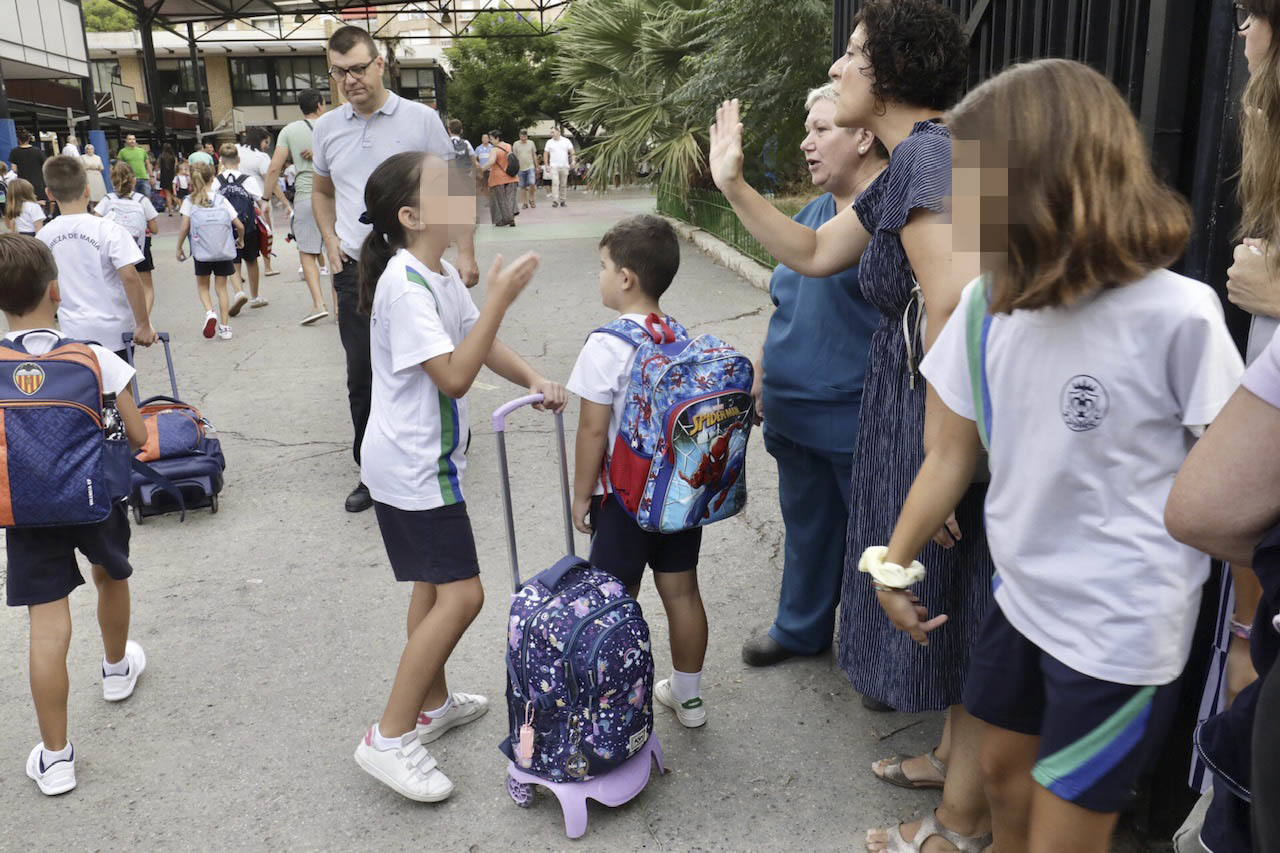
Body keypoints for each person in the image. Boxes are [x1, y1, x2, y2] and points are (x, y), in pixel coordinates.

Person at [867, 59, 1243, 852]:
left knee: (1063, 834)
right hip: (1021, 601)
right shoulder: (983, 310)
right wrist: (892, 564)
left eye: (972, 181)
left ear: (1045, 177)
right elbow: (947, 456)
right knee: (1003, 776)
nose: (953, 204)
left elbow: (1240, 488)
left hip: (1120, 629)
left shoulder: (1179, 315)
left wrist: (1244, 640)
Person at [710, 3, 995, 849]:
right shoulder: (933, 156)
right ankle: (953, 759)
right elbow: (810, 253)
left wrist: (944, 462)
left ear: (892, 72)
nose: (839, 69)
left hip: (946, 423)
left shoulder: (935, 158)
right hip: (936, 417)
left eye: (855, 55)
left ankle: (959, 825)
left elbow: (959, 309)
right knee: (956, 606)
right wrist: (731, 181)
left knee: (958, 615)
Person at [349, 150, 564, 801]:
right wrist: (498, 299)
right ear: (412, 215)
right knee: (463, 595)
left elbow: (476, 340)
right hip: (416, 466)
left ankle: (431, 703)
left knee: (434, 586)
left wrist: (531, 376)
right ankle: (387, 736)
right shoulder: (407, 284)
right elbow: (454, 373)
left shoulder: (435, 271)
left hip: (414, 461)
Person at [740, 83, 886, 668]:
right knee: (807, 531)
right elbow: (786, 301)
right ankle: (801, 628)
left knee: (879, 544)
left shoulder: (889, 214)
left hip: (857, 420)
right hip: (794, 414)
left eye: (822, 129)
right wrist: (760, 367)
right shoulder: (814, 214)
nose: (806, 143)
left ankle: (881, 656)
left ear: (864, 136)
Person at [0, 234, 149, 797]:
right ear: (56, 291)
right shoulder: (94, 358)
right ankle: (115, 669)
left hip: (25, 510)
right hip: (92, 500)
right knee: (111, 574)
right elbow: (136, 435)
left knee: (46, 622)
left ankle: (56, 757)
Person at [311, 24, 479, 514]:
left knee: (439, 359)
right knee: (363, 369)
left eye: (359, 68)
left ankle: (445, 444)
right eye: (339, 72)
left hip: (417, 261)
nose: (350, 80)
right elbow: (321, 191)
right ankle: (370, 467)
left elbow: (453, 188)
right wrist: (327, 240)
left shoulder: (421, 119)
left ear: (379, 65)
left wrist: (464, 251)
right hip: (355, 267)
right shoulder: (327, 128)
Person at [566, 214, 712, 728]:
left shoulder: (606, 345)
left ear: (626, 277)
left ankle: (616, 699)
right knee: (683, 593)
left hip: (624, 500)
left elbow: (590, 431)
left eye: (603, 266)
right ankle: (689, 698)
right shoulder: (678, 335)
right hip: (678, 497)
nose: (600, 276)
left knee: (613, 601)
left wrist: (583, 493)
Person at [35, 157, 155, 357]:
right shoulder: (109, 229)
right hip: (115, 331)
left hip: (72, 332)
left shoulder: (43, 236)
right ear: (87, 190)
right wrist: (143, 324)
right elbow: (130, 277)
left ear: (49, 194)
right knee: (122, 386)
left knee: (84, 387)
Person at [263, 89, 330, 325]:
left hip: (305, 195)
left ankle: (318, 304)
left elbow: (274, 168)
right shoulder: (332, 125)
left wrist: (264, 198)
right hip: (335, 196)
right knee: (336, 250)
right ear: (320, 105)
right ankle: (341, 307)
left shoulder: (289, 131)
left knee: (307, 253)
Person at [176, 161, 244, 341]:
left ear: (192, 179)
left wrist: (179, 247)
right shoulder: (222, 199)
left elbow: (184, 227)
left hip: (202, 252)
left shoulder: (190, 201)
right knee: (221, 288)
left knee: (203, 287)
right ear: (212, 178)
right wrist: (240, 239)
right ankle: (225, 327)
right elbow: (239, 225)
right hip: (222, 250)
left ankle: (209, 312)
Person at [97, 162, 160, 314]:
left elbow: (96, 221)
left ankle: (125, 318)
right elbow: (154, 229)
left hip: (115, 250)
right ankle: (144, 321)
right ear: (133, 180)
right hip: (139, 249)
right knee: (146, 287)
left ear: (113, 180)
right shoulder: (141, 200)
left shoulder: (107, 200)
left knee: (118, 285)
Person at [216, 143, 266, 315]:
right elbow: (261, 203)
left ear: (221, 161)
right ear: (239, 159)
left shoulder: (217, 181)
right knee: (251, 260)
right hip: (248, 226)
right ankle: (255, 296)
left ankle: (238, 292)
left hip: (226, 228)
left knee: (233, 260)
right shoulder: (248, 179)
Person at [239, 127, 283, 277]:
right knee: (266, 233)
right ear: (260, 140)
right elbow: (271, 181)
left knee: (240, 234)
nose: (267, 146)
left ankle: (238, 273)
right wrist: (285, 202)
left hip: (237, 200)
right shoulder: (262, 157)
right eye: (266, 142)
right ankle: (267, 266)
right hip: (259, 199)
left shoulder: (236, 149)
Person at [485, 130, 518, 228]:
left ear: (497, 138)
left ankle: (504, 219)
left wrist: (481, 169)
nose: (490, 141)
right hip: (511, 176)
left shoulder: (494, 150)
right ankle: (511, 218)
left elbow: (491, 161)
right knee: (510, 199)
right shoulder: (509, 146)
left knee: (500, 200)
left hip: (498, 178)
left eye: (491, 139)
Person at [9, 130, 48, 209]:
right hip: (38, 182)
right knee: (41, 203)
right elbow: (45, 166)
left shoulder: (14, 152)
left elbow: (14, 169)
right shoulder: (38, 151)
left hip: (23, 183)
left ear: (18, 139)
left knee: (26, 203)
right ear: (29, 139)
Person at [543, 126, 575, 208]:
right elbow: (545, 154)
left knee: (563, 184)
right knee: (555, 183)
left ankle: (563, 200)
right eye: (551, 132)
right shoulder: (549, 142)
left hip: (564, 166)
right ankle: (555, 201)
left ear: (558, 132)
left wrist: (573, 160)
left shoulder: (566, 141)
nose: (552, 134)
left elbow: (572, 151)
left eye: (553, 132)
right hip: (554, 166)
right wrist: (546, 165)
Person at [117, 135, 151, 199]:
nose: (132, 141)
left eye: (133, 139)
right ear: (126, 141)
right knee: (132, 198)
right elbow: (119, 166)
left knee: (146, 197)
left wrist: (151, 176)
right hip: (129, 179)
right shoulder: (122, 152)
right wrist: (121, 178)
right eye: (130, 139)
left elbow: (148, 163)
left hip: (143, 177)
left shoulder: (142, 151)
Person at [513, 129, 538, 210]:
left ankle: (531, 199)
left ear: (527, 136)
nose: (523, 137)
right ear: (519, 136)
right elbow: (514, 157)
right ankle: (524, 202)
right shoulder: (516, 144)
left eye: (525, 136)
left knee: (532, 183)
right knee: (522, 186)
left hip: (530, 166)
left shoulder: (531, 143)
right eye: (522, 136)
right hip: (520, 168)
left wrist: (537, 166)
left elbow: (534, 155)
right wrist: (515, 168)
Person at [158, 144, 177, 215]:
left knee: (167, 195)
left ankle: (170, 211)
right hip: (172, 176)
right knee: (174, 194)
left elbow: (159, 167)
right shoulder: (173, 157)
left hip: (164, 177)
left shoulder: (161, 157)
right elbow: (175, 167)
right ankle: (180, 206)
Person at [474, 132, 493, 201]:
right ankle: (488, 200)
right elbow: (474, 159)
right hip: (483, 170)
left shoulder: (492, 147)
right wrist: (477, 165)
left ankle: (493, 200)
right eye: (483, 138)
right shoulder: (478, 148)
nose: (485, 139)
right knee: (484, 186)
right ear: (481, 139)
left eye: (486, 138)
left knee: (492, 186)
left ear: (489, 139)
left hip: (492, 170)